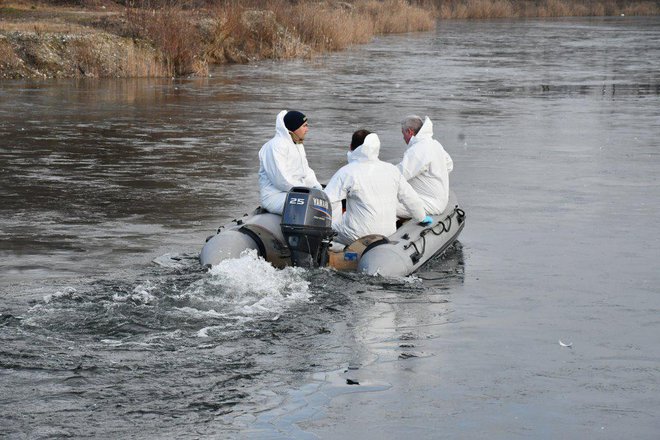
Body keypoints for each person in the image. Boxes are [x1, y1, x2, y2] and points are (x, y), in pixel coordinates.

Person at [324, 129, 432, 245]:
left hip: (357, 236)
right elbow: (410, 198)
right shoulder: (392, 170)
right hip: (388, 234)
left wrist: (325, 226)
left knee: (332, 225)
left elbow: (326, 201)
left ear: (351, 147)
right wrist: (421, 217)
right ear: (376, 148)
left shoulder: (346, 172)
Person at [258, 110, 322, 214]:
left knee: (326, 200)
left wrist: (317, 188)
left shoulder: (297, 145)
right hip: (275, 196)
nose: (307, 129)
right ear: (294, 128)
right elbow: (281, 181)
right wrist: (307, 190)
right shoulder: (275, 146)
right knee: (312, 204)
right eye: (304, 126)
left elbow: (306, 171)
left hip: (294, 192)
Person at [396, 115, 453, 217]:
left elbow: (400, 175)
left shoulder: (418, 149)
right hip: (439, 201)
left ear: (410, 131)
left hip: (428, 204)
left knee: (384, 203)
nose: (403, 137)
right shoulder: (434, 144)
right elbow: (449, 165)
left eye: (403, 133)